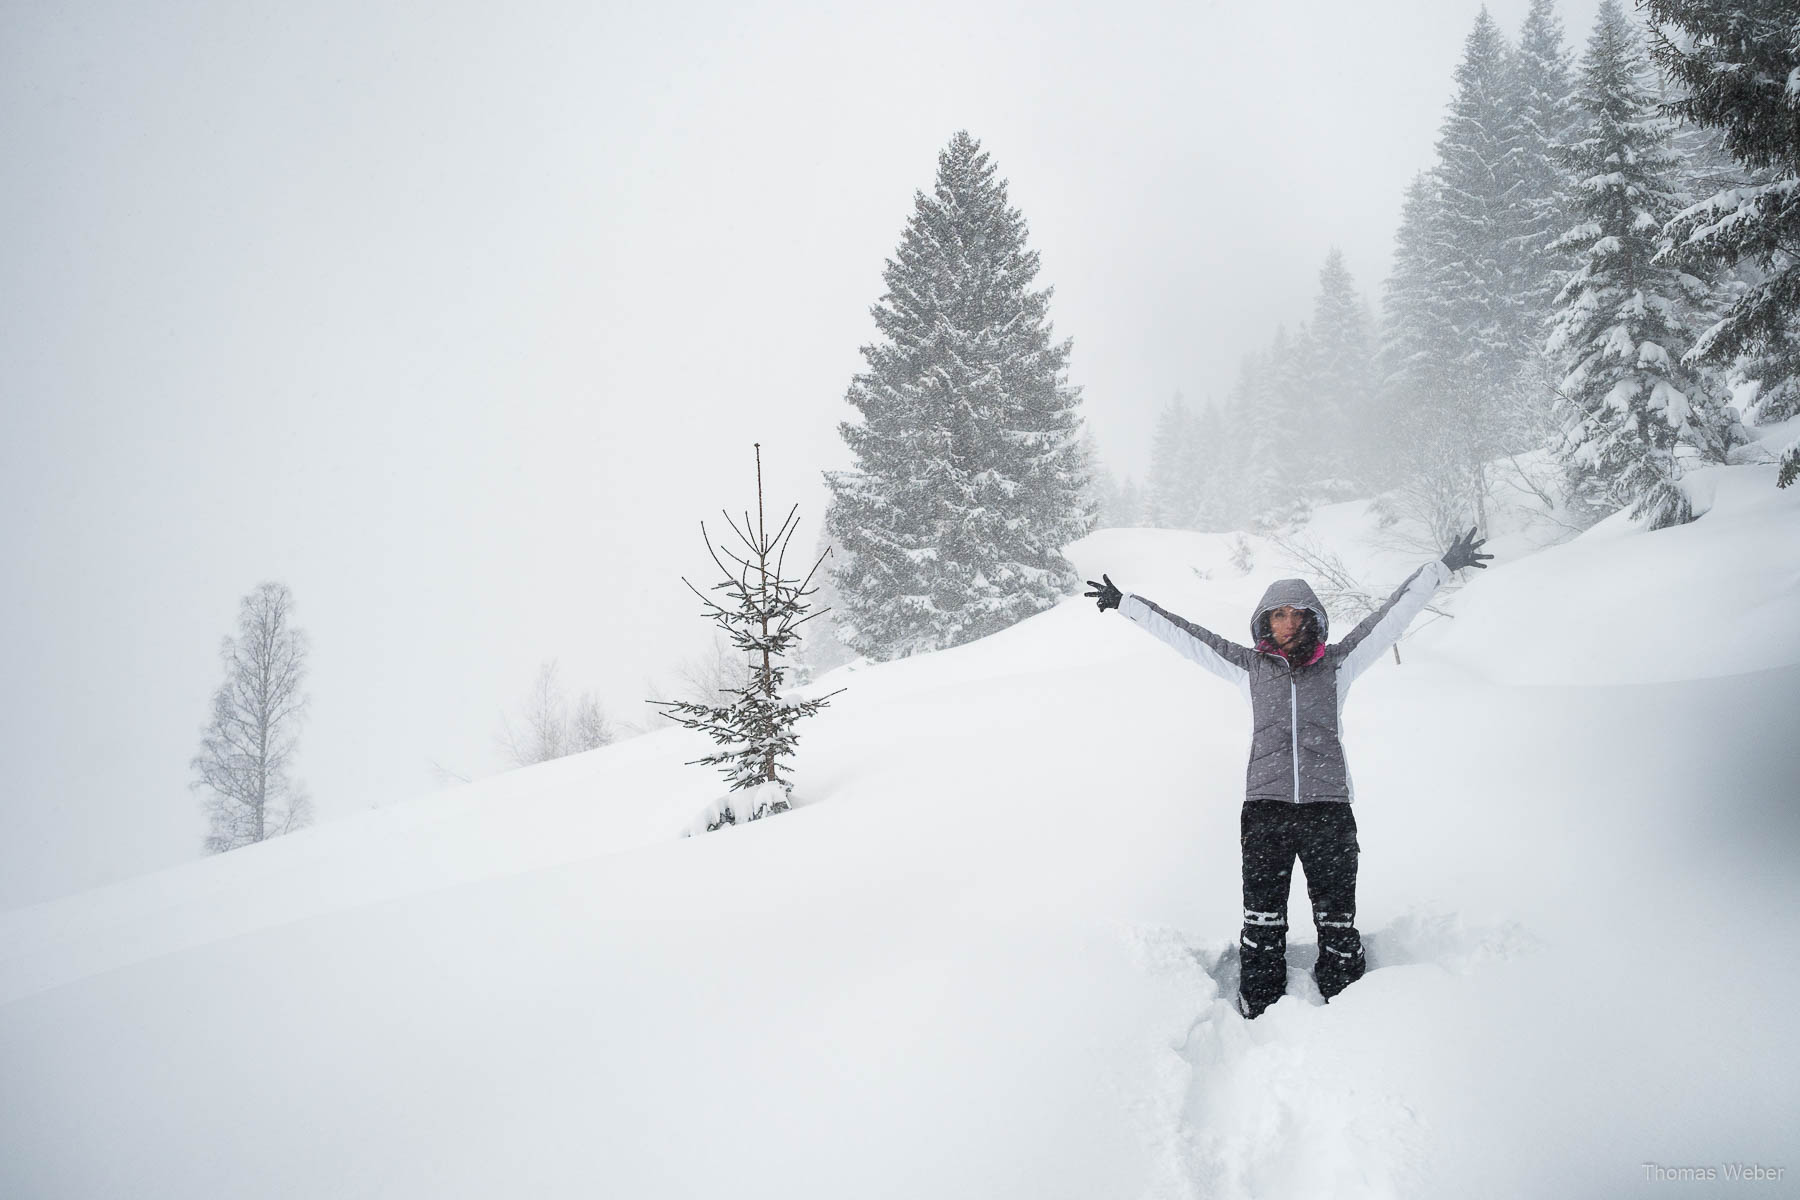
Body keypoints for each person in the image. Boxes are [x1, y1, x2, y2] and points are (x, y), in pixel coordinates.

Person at [1084, 529, 1492, 1018]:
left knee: (1338, 922)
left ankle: (1350, 1006)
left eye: (1297, 614)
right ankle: (1260, 1003)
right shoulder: (1248, 668)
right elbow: (1186, 634)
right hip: (1266, 811)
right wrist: (1126, 603)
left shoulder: (1338, 664)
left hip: (1328, 810)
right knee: (1262, 921)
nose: (1288, 622)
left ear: (1312, 619)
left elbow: (1390, 617)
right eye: (1279, 614)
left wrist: (1440, 569)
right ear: (1265, 621)